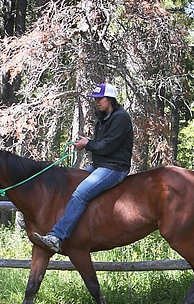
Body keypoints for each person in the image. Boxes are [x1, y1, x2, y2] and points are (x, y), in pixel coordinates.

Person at [34, 83, 133, 254]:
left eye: (99, 98)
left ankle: (57, 236)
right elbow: (102, 145)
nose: (97, 102)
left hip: (115, 168)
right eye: (95, 99)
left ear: (110, 99)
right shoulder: (104, 118)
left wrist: (87, 144)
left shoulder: (120, 117)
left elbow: (108, 146)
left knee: (80, 194)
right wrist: (88, 144)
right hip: (100, 165)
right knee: (68, 184)